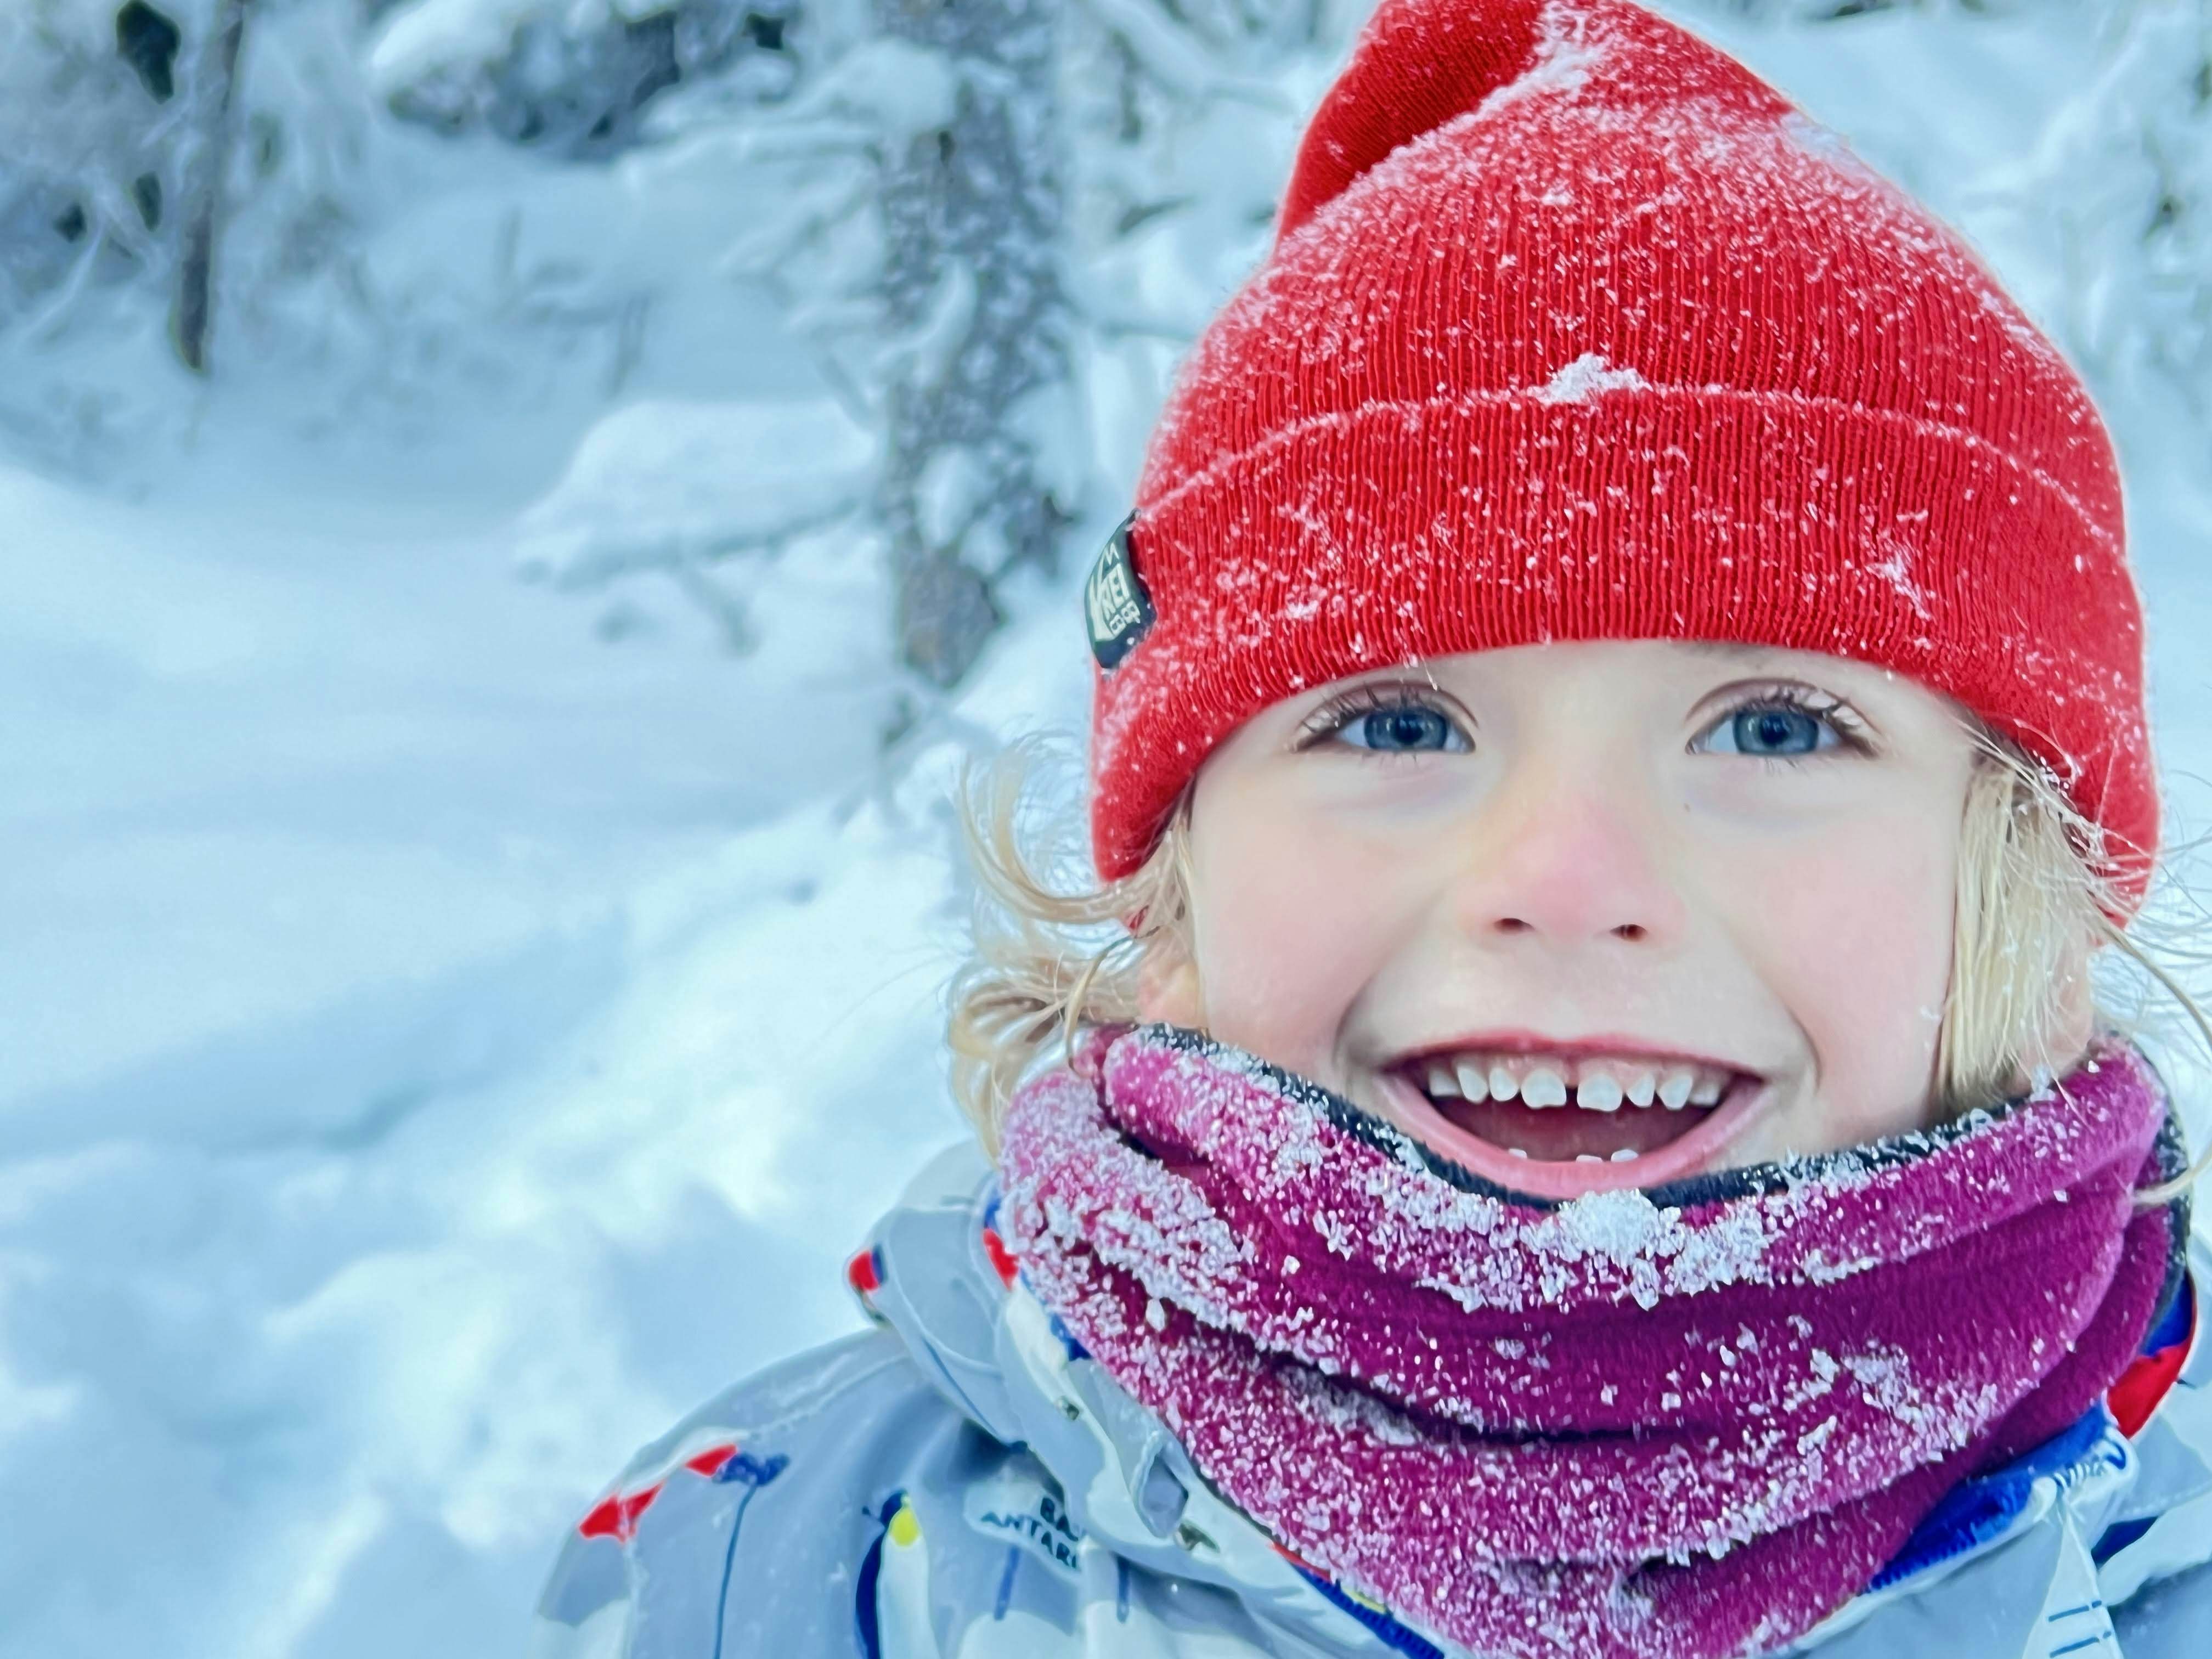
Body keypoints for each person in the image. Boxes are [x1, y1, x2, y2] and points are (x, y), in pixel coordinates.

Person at [533, 2, 2212, 1654]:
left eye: (1775, 729)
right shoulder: (781, 1572)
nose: (1568, 885)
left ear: (2034, 896)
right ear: (1171, 898)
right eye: (1399, 724)